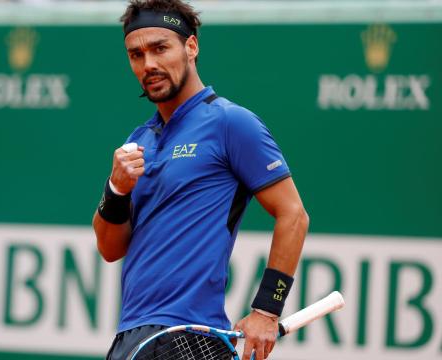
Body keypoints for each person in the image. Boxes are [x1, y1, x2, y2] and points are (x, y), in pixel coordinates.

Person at [92, 1, 309, 359]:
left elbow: (294, 215)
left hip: (187, 335)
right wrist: (115, 191)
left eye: (160, 48)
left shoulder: (231, 123)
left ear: (191, 47)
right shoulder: (139, 140)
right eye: (136, 54)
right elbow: (110, 248)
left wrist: (267, 309)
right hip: (132, 337)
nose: (149, 65)